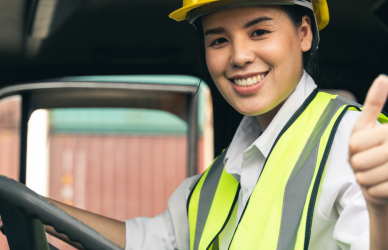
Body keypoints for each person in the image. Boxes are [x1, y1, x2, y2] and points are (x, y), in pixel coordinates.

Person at [2, 0, 388, 249]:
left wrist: (381, 208)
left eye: (259, 32)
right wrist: (30, 204)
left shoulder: (358, 146)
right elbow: (143, 243)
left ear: (304, 33)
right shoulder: (222, 175)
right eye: (219, 40)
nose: (238, 56)